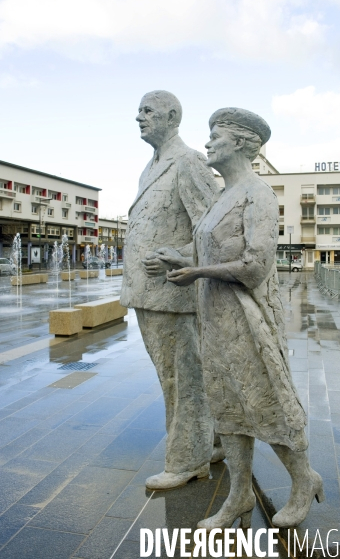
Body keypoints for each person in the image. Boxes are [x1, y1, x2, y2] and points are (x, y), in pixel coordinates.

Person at [164, 108, 324, 528]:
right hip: (214, 318)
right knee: (228, 408)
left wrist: (198, 272)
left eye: (215, 136)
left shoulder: (259, 194)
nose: (208, 143)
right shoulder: (221, 195)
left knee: (266, 401)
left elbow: (255, 266)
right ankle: (237, 498)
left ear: (239, 142)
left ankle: (303, 479)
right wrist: (182, 259)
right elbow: (212, 250)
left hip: (246, 320)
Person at [120, 90, 220, 490]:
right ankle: (209, 442)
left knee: (181, 380)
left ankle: (187, 461)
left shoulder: (189, 161)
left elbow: (214, 227)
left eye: (147, 111)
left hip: (174, 293)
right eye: (139, 110)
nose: (138, 117)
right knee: (177, 376)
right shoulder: (152, 165)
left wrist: (176, 256)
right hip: (149, 293)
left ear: (172, 116)